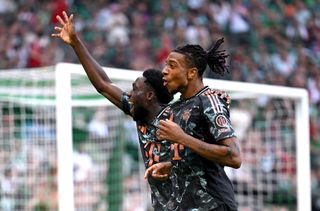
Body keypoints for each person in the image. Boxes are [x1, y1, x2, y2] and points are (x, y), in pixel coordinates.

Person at [51, 11, 174, 210]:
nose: (130, 95)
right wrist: (75, 42)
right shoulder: (139, 113)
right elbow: (103, 84)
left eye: (135, 89)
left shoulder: (176, 118)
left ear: (150, 96)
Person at [145, 38, 242, 210]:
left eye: (172, 66)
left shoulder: (210, 101)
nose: (164, 72)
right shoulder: (177, 107)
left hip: (215, 204)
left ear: (191, 73)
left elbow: (234, 157)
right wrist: (172, 166)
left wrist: (181, 138)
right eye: (165, 65)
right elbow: (198, 159)